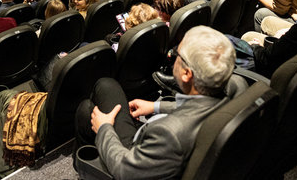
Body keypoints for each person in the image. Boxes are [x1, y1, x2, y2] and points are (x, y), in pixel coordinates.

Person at [74, 26, 236, 179]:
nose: (172, 58)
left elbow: (124, 171)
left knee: (85, 110)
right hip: (162, 153)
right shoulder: (233, 91)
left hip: (134, 157)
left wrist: (104, 129)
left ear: (187, 74)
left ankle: (85, 167)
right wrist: (155, 106)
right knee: (106, 85)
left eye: (176, 55)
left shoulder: (167, 133)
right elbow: (200, 107)